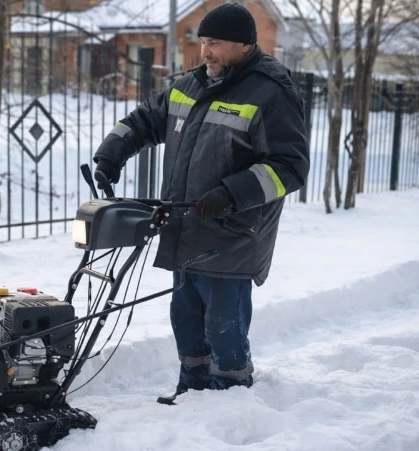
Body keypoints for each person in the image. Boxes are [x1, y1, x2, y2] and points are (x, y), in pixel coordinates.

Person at [92, 3, 310, 395]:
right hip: (186, 227)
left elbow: (290, 166)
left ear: (244, 46)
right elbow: (144, 120)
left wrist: (231, 193)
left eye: (216, 44)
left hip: (232, 234)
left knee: (223, 326)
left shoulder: (271, 92)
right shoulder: (190, 85)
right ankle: (192, 392)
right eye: (203, 42)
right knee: (186, 319)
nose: (205, 51)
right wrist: (112, 154)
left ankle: (230, 396)